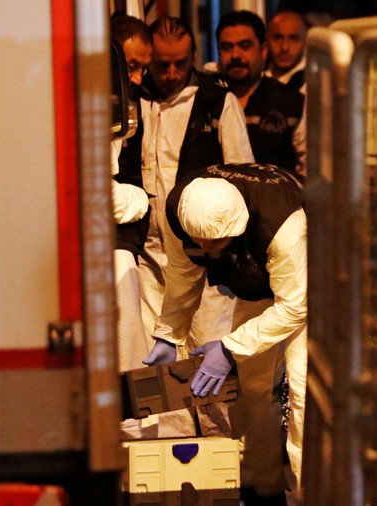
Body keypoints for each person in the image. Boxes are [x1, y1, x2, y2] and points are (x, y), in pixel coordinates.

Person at [145, 163, 307, 505]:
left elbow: (295, 306)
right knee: (253, 388)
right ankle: (263, 488)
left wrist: (230, 347)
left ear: (239, 227)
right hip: (258, 285)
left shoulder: (283, 225)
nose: (207, 251)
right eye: (199, 242)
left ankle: (312, 495)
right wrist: (169, 333)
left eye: (216, 242)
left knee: (303, 391)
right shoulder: (180, 211)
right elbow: (182, 275)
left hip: (308, 289)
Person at [137, 16, 254, 436]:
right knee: (158, 366)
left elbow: (242, 174)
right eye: (162, 64)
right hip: (148, 255)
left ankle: (224, 452)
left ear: (193, 58)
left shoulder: (216, 101)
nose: (171, 73)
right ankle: (171, 451)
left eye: (180, 63)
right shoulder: (135, 100)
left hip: (207, 256)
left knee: (211, 364)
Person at [109, 14, 152, 373]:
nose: (137, 78)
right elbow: (99, 193)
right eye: (132, 65)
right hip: (113, 243)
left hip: (127, 240)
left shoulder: (129, 103)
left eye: (143, 68)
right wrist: (139, 201)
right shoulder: (104, 105)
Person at [216, 10, 306, 179]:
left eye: (245, 46)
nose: (235, 55)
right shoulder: (206, 100)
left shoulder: (292, 103)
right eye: (227, 47)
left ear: (263, 51)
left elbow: (309, 169)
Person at [265, 10, 307, 94]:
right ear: (267, 40)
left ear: (305, 42)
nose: (284, 47)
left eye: (294, 39)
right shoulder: (255, 76)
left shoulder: (313, 84)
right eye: (278, 38)